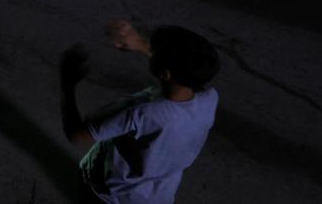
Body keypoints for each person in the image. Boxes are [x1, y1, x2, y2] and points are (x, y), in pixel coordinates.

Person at [61, 21, 220, 204]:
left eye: (155, 50)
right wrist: (140, 45)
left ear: (165, 73)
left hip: (109, 197)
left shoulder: (141, 113)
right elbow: (178, 69)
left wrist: (67, 84)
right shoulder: (209, 99)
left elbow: (77, 135)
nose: (149, 49)